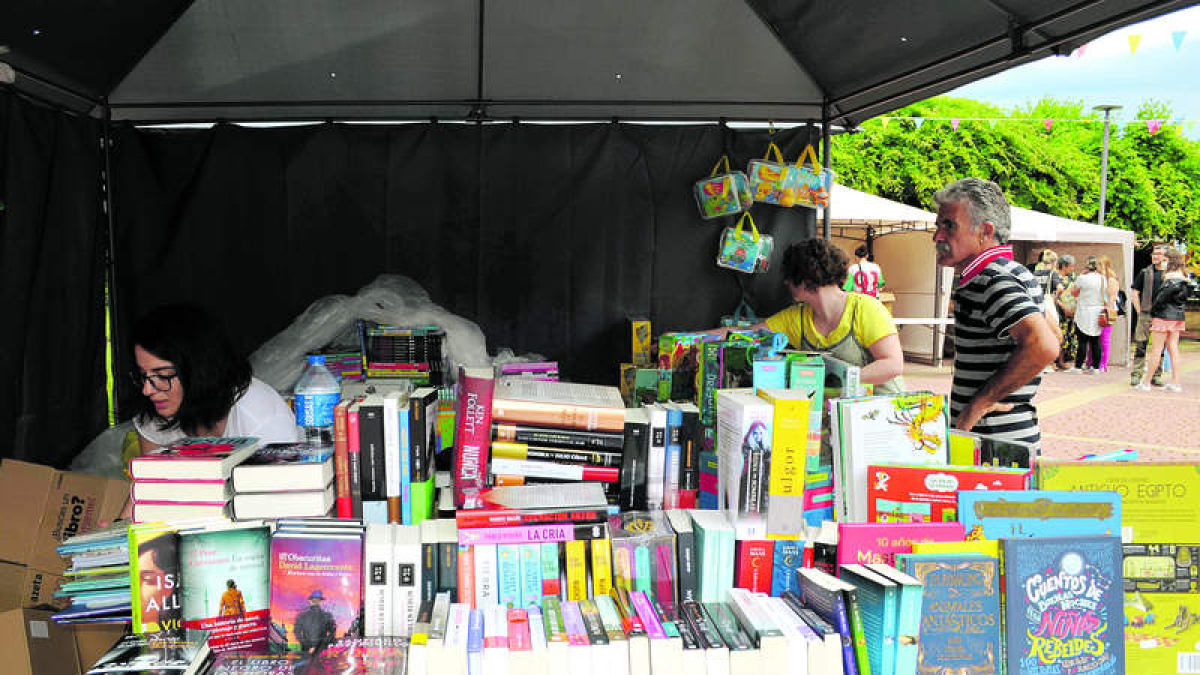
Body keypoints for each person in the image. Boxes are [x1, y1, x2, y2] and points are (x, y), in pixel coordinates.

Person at [931, 178, 1058, 445]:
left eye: (949, 226)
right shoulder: (1013, 271)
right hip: (1006, 437)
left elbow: (1045, 346)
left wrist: (981, 402)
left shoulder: (992, 280)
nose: (937, 237)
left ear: (985, 232)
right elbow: (1054, 333)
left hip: (993, 442)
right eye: (938, 226)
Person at [707, 237, 905, 393]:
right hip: (835, 415)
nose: (785, 283)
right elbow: (745, 334)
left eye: (789, 277)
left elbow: (893, 364)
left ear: (804, 279)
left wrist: (841, 379)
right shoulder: (797, 318)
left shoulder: (865, 309)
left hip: (884, 415)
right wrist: (695, 338)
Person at [129, 303, 301, 451]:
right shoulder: (156, 412)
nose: (147, 390)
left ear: (200, 370)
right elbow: (151, 478)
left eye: (163, 375)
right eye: (143, 375)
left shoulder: (262, 419)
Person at [1136, 248, 1190, 392]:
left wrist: (1153, 311)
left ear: (1171, 262)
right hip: (1178, 317)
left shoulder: (1169, 281)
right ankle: (1176, 382)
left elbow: (1160, 300)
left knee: (1156, 349)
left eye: (1165, 260)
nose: (1163, 262)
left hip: (1163, 317)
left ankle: (1146, 382)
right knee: (1173, 348)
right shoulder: (1184, 280)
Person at [1130, 244, 1168, 386]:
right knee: (1141, 344)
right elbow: (1135, 292)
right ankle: (1136, 374)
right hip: (1146, 313)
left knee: (1160, 346)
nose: (1155, 256)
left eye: (1159, 254)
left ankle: (1156, 375)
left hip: (1163, 314)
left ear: (1165, 257)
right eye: (1154, 254)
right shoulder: (1145, 272)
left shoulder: (1169, 274)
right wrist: (1139, 311)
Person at [1068, 256, 1105, 374]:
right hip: (1097, 310)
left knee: (1082, 340)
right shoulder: (1102, 278)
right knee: (1096, 340)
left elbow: (1074, 292)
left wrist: (1080, 276)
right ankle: (1096, 367)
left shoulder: (1082, 278)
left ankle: (1078, 366)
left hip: (1084, 310)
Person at [1052, 255, 1077, 371]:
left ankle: (1062, 360)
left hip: (1070, 312)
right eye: (1071, 266)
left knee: (1067, 336)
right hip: (1058, 310)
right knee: (1058, 335)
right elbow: (1053, 295)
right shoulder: (1055, 277)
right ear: (1064, 266)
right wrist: (1063, 307)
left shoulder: (1073, 277)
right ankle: (1055, 360)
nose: (1073, 268)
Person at [294, 589, 337, 657]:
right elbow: (332, 634)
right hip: (322, 651)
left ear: (310, 601)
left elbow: (297, 633)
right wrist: (320, 646)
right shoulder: (327, 616)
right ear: (320, 601)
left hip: (307, 651)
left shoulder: (301, 616)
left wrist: (308, 646)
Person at [1096, 255, 1121, 371]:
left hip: (1106, 310)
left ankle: (1103, 363)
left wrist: (1107, 310)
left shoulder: (1110, 279)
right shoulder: (1097, 278)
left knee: (1104, 337)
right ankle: (1093, 361)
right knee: (1094, 337)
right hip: (1097, 308)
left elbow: (1112, 297)